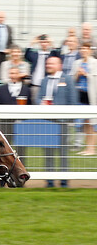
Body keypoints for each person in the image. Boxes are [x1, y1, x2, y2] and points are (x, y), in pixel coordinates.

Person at [38, 56, 76, 187]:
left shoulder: (68, 79)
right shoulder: (44, 80)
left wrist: (70, 120)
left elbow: (73, 101)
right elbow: (38, 98)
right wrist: (41, 103)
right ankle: (49, 181)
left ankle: (64, 181)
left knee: (63, 152)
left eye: (51, 63)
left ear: (59, 65)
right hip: (47, 121)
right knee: (48, 152)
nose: (48, 65)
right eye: (47, 63)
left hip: (62, 121)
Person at [73, 43, 97, 155]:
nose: (84, 50)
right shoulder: (77, 63)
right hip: (81, 95)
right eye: (82, 48)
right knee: (85, 123)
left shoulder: (94, 62)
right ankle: (88, 148)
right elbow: (73, 79)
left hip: (91, 96)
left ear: (90, 50)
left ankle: (92, 149)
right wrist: (78, 74)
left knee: (93, 123)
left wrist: (86, 74)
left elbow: (94, 79)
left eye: (86, 48)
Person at [25, 34, 59, 101]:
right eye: (42, 42)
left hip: (48, 86)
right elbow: (27, 56)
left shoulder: (51, 55)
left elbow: (58, 56)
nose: (44, 44)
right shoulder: (35, 54)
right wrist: (32, 43)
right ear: (39, 43)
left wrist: (52, 44)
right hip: (35, 85)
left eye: (46, 42)